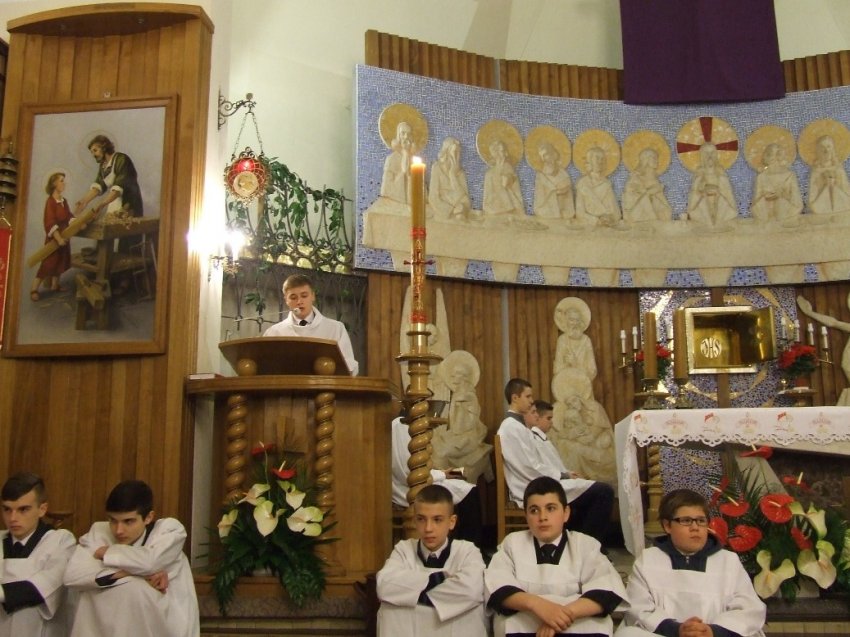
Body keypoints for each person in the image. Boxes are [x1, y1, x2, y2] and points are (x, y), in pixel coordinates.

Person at [485, 477, 625, 637]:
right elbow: (498, 588)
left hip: (575, 623)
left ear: (566, 513)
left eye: (550, 508)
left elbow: (606, 591)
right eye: (534, 510)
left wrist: (559, 616)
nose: (542, 517)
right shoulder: (512, 544)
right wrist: (538, 606)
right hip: (527, 623)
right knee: (509, 623)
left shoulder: (585, 545)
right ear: (526, 515)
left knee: (597, 624)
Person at [615, 489, 766, 637]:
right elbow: (638, 608)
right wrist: (678, 630)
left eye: (701, 521)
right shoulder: (649, 559)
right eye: (686, 521)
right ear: (667, 526)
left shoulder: (728, 561)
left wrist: (712, 631)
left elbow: (748, 609)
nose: (695, 527)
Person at [64, 480, 200, 637]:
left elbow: (150, 562)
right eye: (113, 520)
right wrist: (129, 573)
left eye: (128, 521)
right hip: (105, 626)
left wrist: (108, 552)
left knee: (134, 590)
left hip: (161, 623)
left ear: (148, 517)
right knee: (98, 592)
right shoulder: (99, 531)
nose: (119, 530)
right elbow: (72, 577)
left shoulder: (169, 531)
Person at [497, 379, 613, 544]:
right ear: (515, 398)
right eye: (528, 396)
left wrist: (562, 475)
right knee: (603, 492)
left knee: (594, 492)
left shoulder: (519, 427)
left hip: (538, 481)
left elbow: (535, 463)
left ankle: (577, 544)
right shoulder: (510, 428)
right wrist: (561, 475)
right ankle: (587, 546)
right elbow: (528, 467)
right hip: (532, 486)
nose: (531, 401)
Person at [376, 484, 489, 636]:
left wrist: (412, 594)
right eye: (421, 519)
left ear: (452, 522)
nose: (428, 528)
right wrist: (437, 580)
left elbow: (471, 591)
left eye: (437, 520)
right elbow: (384, 586)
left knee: (473, 610)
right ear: (415, 520)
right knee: (388, 609)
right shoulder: (404, 549)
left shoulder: (467, 551)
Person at [0, 472, 76, 637]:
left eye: (23, 509)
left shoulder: (61, 540)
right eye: (7, 509)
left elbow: (43, 587)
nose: (13, 518)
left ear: (42, 509)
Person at [391, 415, 482, 546]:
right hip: (409, 489)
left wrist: (445, 473)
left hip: (417, 481)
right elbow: (409, 472)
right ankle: (468, 545)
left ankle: (458, 545)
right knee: (470, 491)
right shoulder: (401, 426)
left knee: (465, 482)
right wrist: (443, 474)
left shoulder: (400, 425)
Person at [263, 273, 359, 375]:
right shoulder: (274, 332)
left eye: (304, 296)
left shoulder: (335, 328)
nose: (299, 301)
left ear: (313, 296)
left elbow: (349, 367)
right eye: (293, 297)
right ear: (286, 300)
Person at [74, 134, 143, 221]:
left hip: (129, 204)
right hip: (114, 202)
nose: (93, 155)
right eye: (91, 152)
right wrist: (84, 201)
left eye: (95, 150)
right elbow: (98, 186)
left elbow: (118, 189)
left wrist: (101, 205)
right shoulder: (103, 166)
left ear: (104, 148)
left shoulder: (121, 159)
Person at [30, 172, 74, 302]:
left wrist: (76, 222)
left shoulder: (64, 201)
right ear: (54, 184)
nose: (64, 183)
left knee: (62, 260)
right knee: (48, 263)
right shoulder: (50, 202)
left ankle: (55, 285)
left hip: (64, 236)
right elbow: (50, 222)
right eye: (61, 181)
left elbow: (69, 216)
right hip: (54, 238)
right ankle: (34, 289)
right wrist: (58, 239)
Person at [685, 143, 737, 225]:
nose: (709, 156)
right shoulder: (698, 177)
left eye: (712, 153)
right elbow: (692, 204)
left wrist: (718, 191)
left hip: (722, 214)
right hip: (702, 216)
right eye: (706, 153)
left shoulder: (722, 177)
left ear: (716, 155)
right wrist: (702, 192)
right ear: (702, 156)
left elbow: (730, 200)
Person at [749, 143, 802, 222]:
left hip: (786, 212)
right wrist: (766, 197)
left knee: (781, 203)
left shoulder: (790, 175)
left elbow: (797, 202)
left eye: (777, 154)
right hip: (765, 214)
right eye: (770, 154)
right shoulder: (761, 177)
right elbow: (755, 204)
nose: (774, 158)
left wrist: (783, 196)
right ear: (766, 156)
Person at [553, 296, 597, 381]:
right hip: (566, 383)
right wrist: (566, 364)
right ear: (566, 321)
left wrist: (576, 364)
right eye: (571, 320)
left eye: (577, 320)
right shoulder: (562, 340)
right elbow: (556, 370)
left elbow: (592, 371)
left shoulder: (586, 341)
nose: (574, 324)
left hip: (583, 384)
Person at [622, 148, 672, 223]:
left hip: (657, 222)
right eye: (654, 158)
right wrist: (647, 192)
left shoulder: (656, 182)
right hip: (640, 219)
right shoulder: (635, 179)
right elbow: (630, 202)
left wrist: (654, 192)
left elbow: (666, 210)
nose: (657, 161)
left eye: (656, 158)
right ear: (646, 160)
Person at [575, 146, 620, 226]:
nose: (600, 162)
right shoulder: (582, 183)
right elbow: (580, 212)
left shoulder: (607, 184)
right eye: (597, 158)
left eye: (602, 159)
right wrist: (596, 220)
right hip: (589, 225)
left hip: (607, 226)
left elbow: (616, 212)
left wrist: (610, 218)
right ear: (590, 161)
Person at [429, 137, 471, 220]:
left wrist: (452, 175)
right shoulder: (437, 168)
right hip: (442, 210)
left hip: (459, 210)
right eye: (454, 153)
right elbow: (433, 196)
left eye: (458, 153)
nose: (456, 156)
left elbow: (465, 200)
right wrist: (450, 210)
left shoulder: (460, 173)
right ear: (446, 152)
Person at [807, 134, 850, 214]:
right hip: (821, 212)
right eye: (822, 147)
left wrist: (834, 184)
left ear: (833, 149)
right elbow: (812, 201)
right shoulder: (816, 171)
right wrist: (826, 186)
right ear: (818, 151)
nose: (826, 150)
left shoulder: (839, 169)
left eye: (828, 146)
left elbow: (847, 194)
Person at [533, 142, 575, 219]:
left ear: (554, 154)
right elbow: (539, 201)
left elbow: (568, 193)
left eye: (546, 154)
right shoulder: (540, 176)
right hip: (546, 213)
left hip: (564, 212)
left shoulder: (563, 173)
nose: (544, 159)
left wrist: (561, 190)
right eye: (542, 156)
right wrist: (555, 192)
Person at [483, 139, 525, 217]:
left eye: (504, 150)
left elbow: (516, 195)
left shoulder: (509, 169)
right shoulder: (489, 174)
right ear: (495, 153)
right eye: (501, 151)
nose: (506, 154)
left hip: (510, 210)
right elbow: (487, 199)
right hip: (494, 210)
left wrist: (510, 180)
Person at [381, 121, 415, 204]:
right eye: (403, 133)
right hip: (395, 202)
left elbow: (421, 189)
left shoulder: (415, 161)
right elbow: (386, 189)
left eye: (409, 134)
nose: (406, 137)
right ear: (398, 136)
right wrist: (404, 171)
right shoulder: (391, 159)